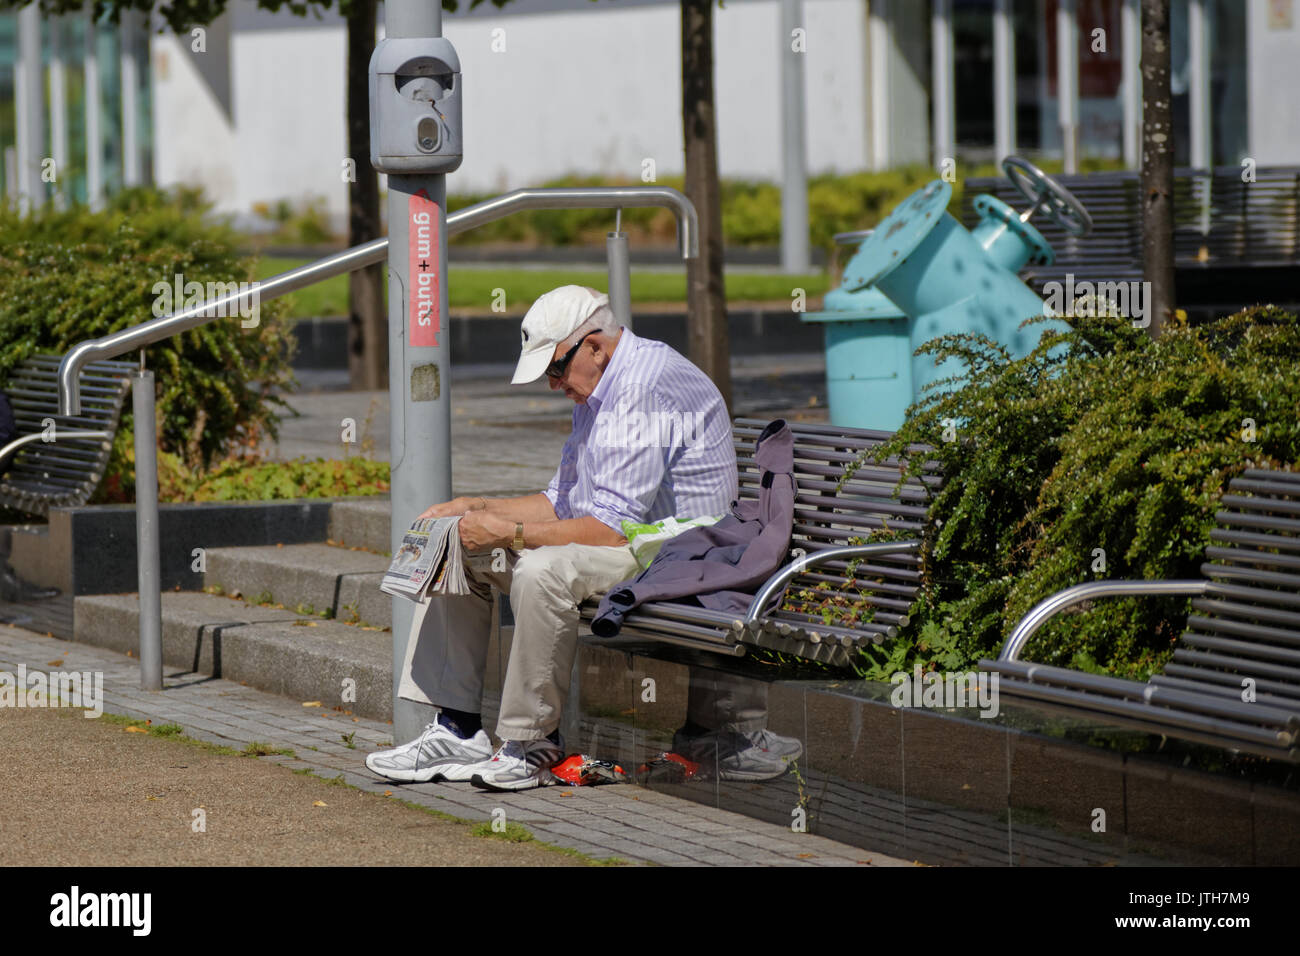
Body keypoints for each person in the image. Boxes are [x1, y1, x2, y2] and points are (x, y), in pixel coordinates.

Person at [366, 285, 738, 791]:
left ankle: (532, 745)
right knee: (463, 544)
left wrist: (512, 532)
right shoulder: (597, 386)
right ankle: (459, 730)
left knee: (544, 571)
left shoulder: (646, 386)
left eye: (556, 369)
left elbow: (608, 529)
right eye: (548, 373)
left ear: (595, 345)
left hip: (677, 553)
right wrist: (477, 508)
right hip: (636, 540)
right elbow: (562, 502)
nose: (552, 384)